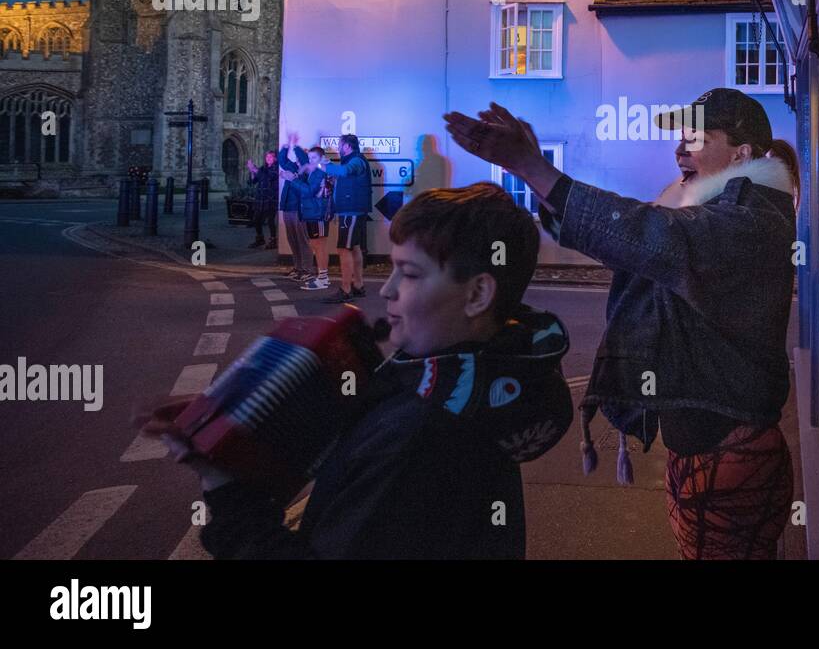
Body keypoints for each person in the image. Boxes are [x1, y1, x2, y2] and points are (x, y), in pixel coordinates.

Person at [446, 88, 799, 560]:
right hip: (707, 454)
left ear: (743, 153)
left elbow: (647, 235)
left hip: (731, 460)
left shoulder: (749, 221)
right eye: (680, 137)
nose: (680, 148)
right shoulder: (714, 213)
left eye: (696, 137)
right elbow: (634, 240)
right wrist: (532, 173)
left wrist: (535, 168)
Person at [158, 183, 574, 559]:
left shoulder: (423, 435)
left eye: (409, 273)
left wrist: (225, 486)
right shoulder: (474, 388)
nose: (387, 289)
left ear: (478, 293)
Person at [321, 133, 372, 303]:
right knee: (355, 247)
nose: (337, 147)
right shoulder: (353, 160)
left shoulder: (356, 161)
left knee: (344, 249)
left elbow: (345, 171)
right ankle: (358, 285)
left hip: (351, 211)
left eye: (339, 144)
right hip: (352, 210)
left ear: (347, 146)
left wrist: (324, 165)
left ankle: (346, 289)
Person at [289, 146, 332, 291]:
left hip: (318, 212)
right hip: (312, 211)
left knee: (319, 246)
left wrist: (293, 179)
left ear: (321, 158)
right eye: (310, 158)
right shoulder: (315, 171)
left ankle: (323, 278)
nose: (310, 161)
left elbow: (309, 191)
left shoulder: (320, 171)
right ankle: (323, 277)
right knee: (316, 245)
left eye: (314, 158)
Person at [277, 135, 314, 281]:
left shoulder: (306, 170)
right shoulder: (292, 166)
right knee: (292, 240)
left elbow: (304, 159)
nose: (298, 159)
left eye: (301, 156)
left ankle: (307, 269)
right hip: (287, 208)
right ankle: (298, 268)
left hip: (299, 210)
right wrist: (286, 145)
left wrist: (296, 146)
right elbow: (282, 160)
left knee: (302, 240)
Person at [245, 152, 279, 249]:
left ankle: (273, 241)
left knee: (270, 220)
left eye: (270, 157)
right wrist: (252, 171)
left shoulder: (276, 168)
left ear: (275, 159)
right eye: (267, 156)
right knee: (256, 219)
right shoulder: (263, 168)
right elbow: (253, 181)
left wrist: (254, 169)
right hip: (260, 198)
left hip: (270, 198)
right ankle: (260, 239)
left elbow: (267, 178)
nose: (268, 158)